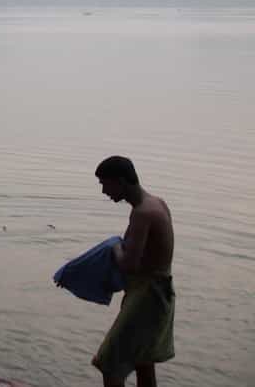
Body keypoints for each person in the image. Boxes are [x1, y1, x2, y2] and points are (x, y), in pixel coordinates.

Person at [92, 156, 175, 387]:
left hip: (147, 298)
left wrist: (115, 246)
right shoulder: (157, 203)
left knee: (110, 363)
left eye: (104, 184)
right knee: (143, 362)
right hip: (159, 293)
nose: (103, 191)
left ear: (120, 181)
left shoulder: (142, 213)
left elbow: (129, 264)